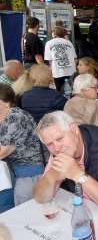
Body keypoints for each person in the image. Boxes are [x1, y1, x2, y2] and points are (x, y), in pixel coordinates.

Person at [0, 84, 44, 213]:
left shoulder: (15, 118)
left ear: (6, 103)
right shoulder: (4, 116)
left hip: (31, 171)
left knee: (25, 211)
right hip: (15, 169)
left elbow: (2, 152)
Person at [44, 26, 77, 91]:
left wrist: (50, 71)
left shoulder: (49, 43)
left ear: (54, 33)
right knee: (71, 89)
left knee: (59, 90)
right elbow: (74, 58)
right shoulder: (69, 42)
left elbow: (49, 60)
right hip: (70, 70)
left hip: (57, 71)